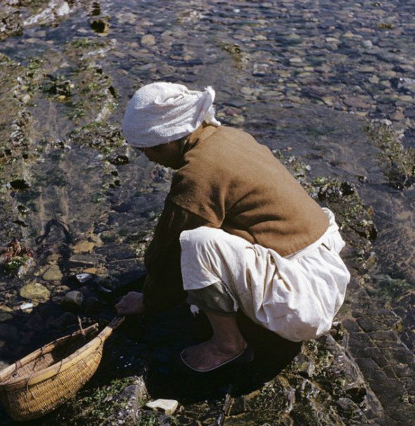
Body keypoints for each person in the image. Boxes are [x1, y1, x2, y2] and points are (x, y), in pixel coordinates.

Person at [115, 82, 350, 373]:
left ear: (163, 142)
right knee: (219, 224)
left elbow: (167, 252)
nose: (149, 159)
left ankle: (227, 344)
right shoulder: (230, 137)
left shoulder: (197, 174)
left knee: (196, 243)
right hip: (327, 269)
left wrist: (149, 300)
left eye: (146, 151)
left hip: (301, 304)